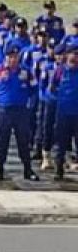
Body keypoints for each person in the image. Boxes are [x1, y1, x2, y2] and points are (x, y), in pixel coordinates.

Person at [0, 47, 39, 181]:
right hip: (4, 111)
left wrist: (29, 105)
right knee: (1, 140)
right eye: (10, 57)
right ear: (6, 58)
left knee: (23, 141)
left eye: (15, 57)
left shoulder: (26, 72)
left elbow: (34, 88)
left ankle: (28, 170)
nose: (13, 59)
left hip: (21, 111)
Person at [52, 48, 78, 181]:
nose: (75, 58)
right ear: (67, 56)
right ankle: (59, 169)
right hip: (62, 113)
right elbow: (52, 86)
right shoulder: (60, 70)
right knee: (60, 143)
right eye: (73, 55)